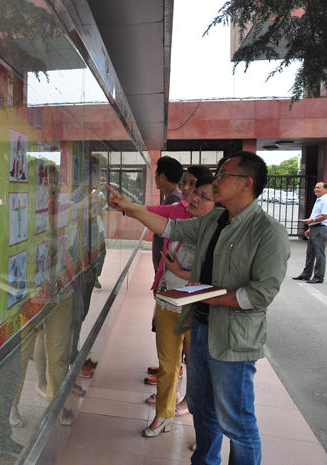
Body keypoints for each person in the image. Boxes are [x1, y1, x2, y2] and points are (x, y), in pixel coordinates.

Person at [107, 151, 290, 465]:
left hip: (232, 340)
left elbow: (262, 293)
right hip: (201, 327)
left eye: (224, 175)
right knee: (203, 410)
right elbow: (171, 228)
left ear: (247, 183)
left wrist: (209, 297)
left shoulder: (267, 231)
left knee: (236, 421)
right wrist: (133, 209)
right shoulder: (215, 219)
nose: (216, 181)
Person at [141, 175, 217, 437]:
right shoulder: (180, 223)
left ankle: (203, 431)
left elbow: (215, 278)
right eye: (192, 191)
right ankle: (163, 414)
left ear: (217, 204)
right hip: (168, 303)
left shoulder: (218, 233)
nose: (192, 196)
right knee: (167, 364)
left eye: (202, 196)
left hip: (197, 309)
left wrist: (180, 273)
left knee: (198, 369)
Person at [151, 156, 185, 271]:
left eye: (156, 174)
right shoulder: (175, 196)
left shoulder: (173, 200)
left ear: (162, 177)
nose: (154, 177)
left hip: (166, 265)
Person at [293, 181, 327, 284]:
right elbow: (316, 215)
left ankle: (318, 276)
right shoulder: (319, 200)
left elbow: (325, 215)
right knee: (310, 253)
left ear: (325, 189)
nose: (316, 189)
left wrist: (312, 220)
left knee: (319, 254)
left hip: (320, 229)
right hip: (315, 228)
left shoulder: (325, 200)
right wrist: (310, 228)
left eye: (319, 188)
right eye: (315, 187)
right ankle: (306, 274)